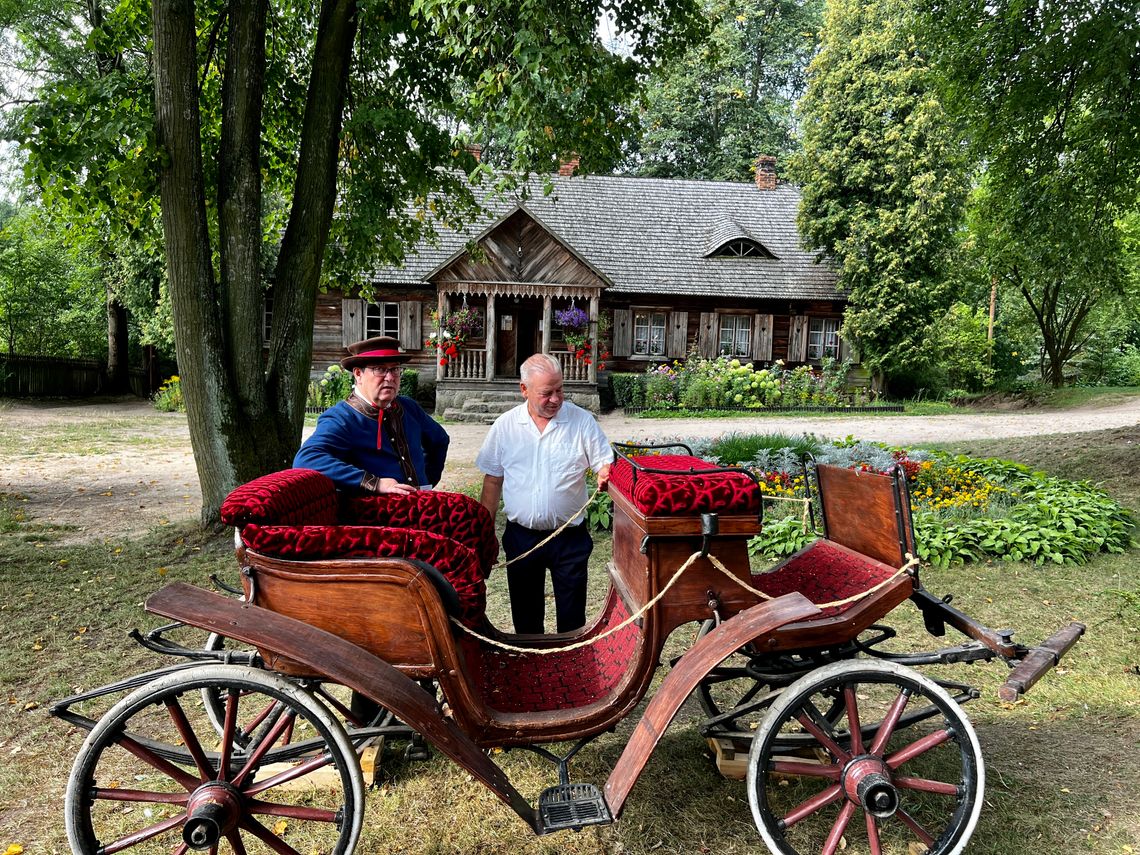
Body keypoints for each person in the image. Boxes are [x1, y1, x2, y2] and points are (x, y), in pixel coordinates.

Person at [476, 353, 613, 634]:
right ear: (524, 390)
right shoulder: (505, 426)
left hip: (570, 539)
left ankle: (571, 668)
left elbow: (604, 463)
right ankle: (531, 671)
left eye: (559, 390)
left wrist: (605, 471)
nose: (555, 399)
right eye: (546, 393)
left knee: (572, 619)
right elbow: (492, 482)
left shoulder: (582, 422)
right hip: (522, 538)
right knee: (526, 621)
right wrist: (485, 531)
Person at [294, 336, 449, 493]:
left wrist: (426, 480)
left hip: (420, 504)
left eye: (395, 369)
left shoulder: (408, 407)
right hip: (376, 511)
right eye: (380, 369)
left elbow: (440, 440)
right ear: (358, 374)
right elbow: (307, 459)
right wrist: (375, 483)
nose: (390, 377)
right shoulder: (341, 418)